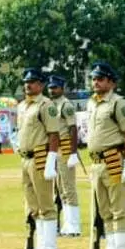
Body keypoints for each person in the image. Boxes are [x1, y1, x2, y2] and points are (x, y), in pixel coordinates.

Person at [85, 62, 125, 249]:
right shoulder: (92, 103)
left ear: (111, 82)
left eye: (100, 78)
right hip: (96, 162)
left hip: (113, 159)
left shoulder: (118, 103)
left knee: (118, 208)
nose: (95, 82)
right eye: (94, 78)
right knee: (105, 210)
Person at [16, 68, 62, 249]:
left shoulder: (46, 105)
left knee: (45, 204)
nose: (28, 85)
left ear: (41, 85)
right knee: (33, 206)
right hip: (25, 158)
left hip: (40, 157)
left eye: (33, 82)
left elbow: (53, 134)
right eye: (26, 82)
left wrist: (51, 159)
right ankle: (40, 248)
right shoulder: (22, 106)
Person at [47, 75, 82, 237]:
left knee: (68, 188)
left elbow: (73, 129)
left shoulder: (65, 105)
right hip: (54, 150)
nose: (51, 90)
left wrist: (73, 153)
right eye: (50, 87)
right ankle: (66, 224)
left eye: (55, 87)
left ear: (62, 88)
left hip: (65, 149)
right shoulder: (50, 105)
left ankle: (73, 225)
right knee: (59, 189)